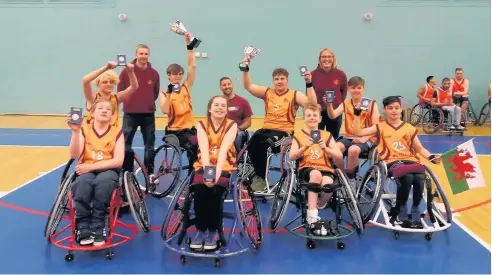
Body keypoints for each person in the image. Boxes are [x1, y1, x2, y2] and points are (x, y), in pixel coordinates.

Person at [353, 96, 441, 228]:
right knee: (408, 177)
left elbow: (420, 149)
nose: (394, 111)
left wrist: (431, 157)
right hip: (391, 161)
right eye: (390, 108)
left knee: (419, 177)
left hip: (410, 160)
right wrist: (357, 114)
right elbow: (358, 131)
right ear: (385, 110)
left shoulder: (409, 128)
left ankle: (415, 209)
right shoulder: (380, 127)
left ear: (401, 109)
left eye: (396, 108)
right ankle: (401, 209)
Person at [240, 55, 317, 192]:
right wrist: (246, 68)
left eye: (282, 79)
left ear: (287, 80)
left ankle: (261, 178)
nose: (279, 81)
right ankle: (259, 175)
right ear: (273, 80)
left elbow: (312, 104)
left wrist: (309, 84)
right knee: (252, 144)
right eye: (276, 79)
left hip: (284, 133)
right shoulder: (267, 92)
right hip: (266, 129)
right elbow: (248, 86)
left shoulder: (294, 94)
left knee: (264, 145)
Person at [68, 98, 125, 246]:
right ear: (92, 113)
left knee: (104, 183)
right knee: (82, 183)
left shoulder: (117, 132)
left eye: (108, 109)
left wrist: (91, 167)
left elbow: (118, 161)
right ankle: (83, 227)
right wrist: (75, 132)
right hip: (85, 170)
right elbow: (74, 155)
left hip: (108, 169)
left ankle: (98, 226)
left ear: (112, 115)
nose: (105, 110)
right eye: (100, 108)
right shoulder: (84, 129)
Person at [189, 95, 238, 251]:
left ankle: (212, 231)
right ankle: (201, 230)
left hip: (224, 166)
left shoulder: (232, 125)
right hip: (204, 164)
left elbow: (224, 150)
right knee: (200, 190)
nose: (219, 108)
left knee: (215, 192)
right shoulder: (202, 124)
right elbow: (203, 149)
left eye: (223, 105)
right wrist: (207, 173)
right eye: (216, 105)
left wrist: (216, 175)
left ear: (227, 110)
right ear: (210, 109)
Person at [289, 103, 343, 235]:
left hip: (325, 168)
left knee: (328, 184)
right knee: (316, 174)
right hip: (307, 168)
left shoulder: (326, 135)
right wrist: (305, 147)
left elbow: (339, 156)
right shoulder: (298, 135)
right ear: (304, 118)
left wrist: (326, 148)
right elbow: (292, 156)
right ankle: (312, 216)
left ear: (319, 119)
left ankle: (319, 203)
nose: (312, 118)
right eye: (308, 115)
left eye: (314, 115)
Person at [118, 44, 161, 182]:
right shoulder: (126, 72)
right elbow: (120, 91)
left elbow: (154, 93)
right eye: (141, 53)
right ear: (136, 55)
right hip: (130, 114)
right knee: (125, 144)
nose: (143, 56)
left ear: (148, 55)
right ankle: (127, 171)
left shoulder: (154, 74)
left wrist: (146, 102)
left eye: (146, 54)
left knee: (149, 145)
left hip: (148, 114)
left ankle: (149, 172)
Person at [326, 76, 380, 180]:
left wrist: (363, 138)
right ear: (349, 89)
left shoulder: (371, 104)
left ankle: (351, 179)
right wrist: (329, 104)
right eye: (353, 88)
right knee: (335, 148)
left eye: (359, 88)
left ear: (363, 89)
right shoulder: (346, 103)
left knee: (353, 150)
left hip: (367, 138)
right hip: (349, 136)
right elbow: (332, 115)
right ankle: (341, 175)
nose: (356, 90)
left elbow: (376, 127)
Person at [159, 33, 198, 175]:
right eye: (175, 74)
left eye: (180, 74)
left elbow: (192, 66)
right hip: (174, 132)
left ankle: (195, 174)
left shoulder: (186, 87)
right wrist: (169, 94)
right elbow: (165, 111)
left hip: (190, 129)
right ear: (168, 75)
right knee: (194, 145)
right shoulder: (164, 93)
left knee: (204, 143)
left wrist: (190, 47)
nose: (178, 76)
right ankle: (191, 177)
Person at [82, 61, 138, 127]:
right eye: (104, 82)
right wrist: (106, 67)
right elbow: (85, 80)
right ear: (98, 84)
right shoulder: (92, 98)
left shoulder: (117, 98)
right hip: (92, 135)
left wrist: (131, 72)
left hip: (112, 136)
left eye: (111, 82)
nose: (108, 84)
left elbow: (134, 87)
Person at [311, 48, 348, 139]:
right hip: (318, 113)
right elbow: (310, 94)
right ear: (320, 59)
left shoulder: (340, 74)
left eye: (329, 56)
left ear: (333, 58)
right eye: (324, 56)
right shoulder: (313, 75)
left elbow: (343, 92)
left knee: (332, 140)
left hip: (335, 112)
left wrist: (336, 104)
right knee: (316, 140)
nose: (326, 59)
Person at [219, 76, 253, 152]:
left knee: (238, 135)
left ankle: (234, 159)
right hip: (220, 132)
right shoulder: (216, 102)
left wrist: (238, 128)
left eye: (229, 84)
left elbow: (248, 122)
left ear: (232, 85)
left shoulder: (243, 101)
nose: (227, 86)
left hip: (237, 132)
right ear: (220, 87)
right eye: (224, 85)